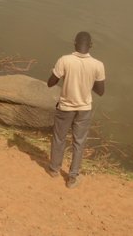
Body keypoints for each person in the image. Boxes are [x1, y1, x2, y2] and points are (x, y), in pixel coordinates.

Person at [46, 31, 106, 189]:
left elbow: (50, 83)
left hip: (65, 107)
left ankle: (54, 170)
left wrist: (63, 74)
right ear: (91, 46)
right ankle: (72, 178)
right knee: (79, 142)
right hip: (84, 109)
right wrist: (87, 78)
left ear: (74, 43)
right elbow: (100, 91)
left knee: (59, 138)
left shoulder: (64, 60)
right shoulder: (98, 65)